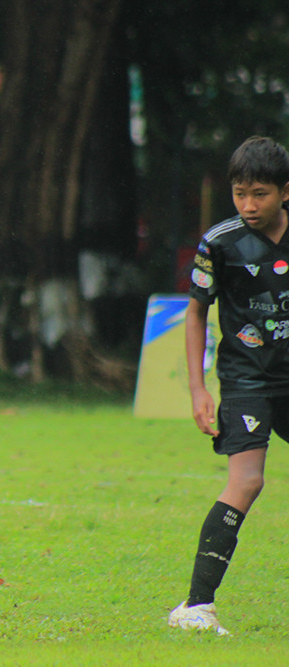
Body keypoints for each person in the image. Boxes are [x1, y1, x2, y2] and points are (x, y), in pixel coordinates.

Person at [169, 136, 289, 635]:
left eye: (259, 193)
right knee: (248, 480)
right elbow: (196, 313)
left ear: (285, 191)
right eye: (240, 193)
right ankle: (195, 607)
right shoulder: (220, 242)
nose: (248, 205)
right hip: (245, 378)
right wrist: (199, 391)